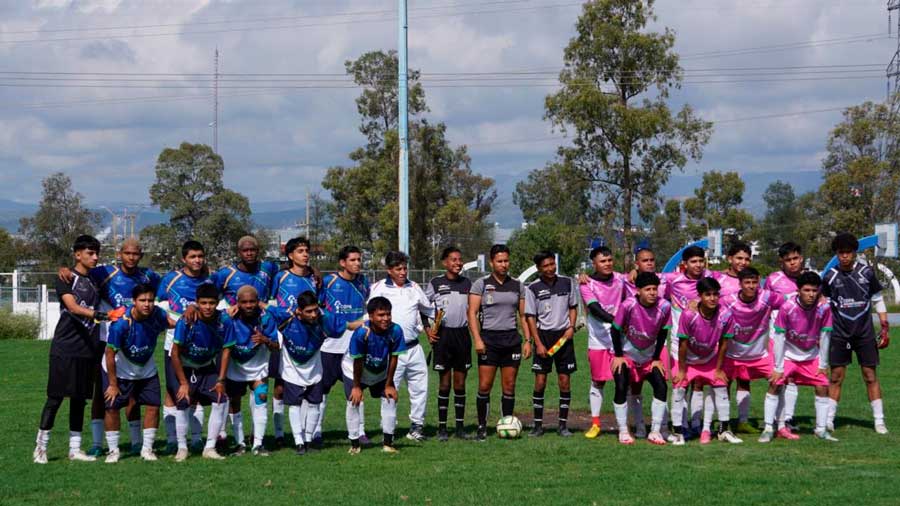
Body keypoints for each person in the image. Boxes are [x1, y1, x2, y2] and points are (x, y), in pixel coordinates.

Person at [58, 238, 161, 457]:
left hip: (133, 338)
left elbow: (170, 284)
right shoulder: (104, 272)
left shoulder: (148, 276)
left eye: (136, 254)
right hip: (105, 338)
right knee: (100, 391)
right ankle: (97, 442)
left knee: (134, 390)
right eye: (127, 253)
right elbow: (80, 270)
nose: (131, 257)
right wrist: (64, 268)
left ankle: (136, 442)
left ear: (141, 256)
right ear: (119, 254)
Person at [34, 235, 109, 464]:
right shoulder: (65, 278)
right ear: (78, 254)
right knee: (55, 398)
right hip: (65, 346)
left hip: (88, 347)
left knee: (79, 399)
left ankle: (74, 449)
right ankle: (40, 449)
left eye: (97, 253)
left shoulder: (96, 279)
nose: (95, 257)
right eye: (90, 253)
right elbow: (73, 307)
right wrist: (97, 315)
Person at [214, 235, 284, 444]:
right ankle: (235, 439)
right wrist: (225, 310)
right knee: (233, 399)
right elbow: (210, 294)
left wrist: (315, 273)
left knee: (261, 396)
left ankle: (258, 441)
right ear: (239, 252)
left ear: (258, 250)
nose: (249, 253)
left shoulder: (269, 269)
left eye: (253, 249)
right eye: (245, 250)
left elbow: (290, 271)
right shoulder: (226, 274)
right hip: (235, 355)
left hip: (258, 361)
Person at [268, 291, 352, 455]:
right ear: (299, 310)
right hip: (291, 369)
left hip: (314, 369)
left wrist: (367, 323)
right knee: (295, 405)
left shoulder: (324, 319)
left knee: (314, 404)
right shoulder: (286, 317)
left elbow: (348, 325)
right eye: (309, 311)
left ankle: (308, 440)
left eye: (315, 310)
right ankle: (299, 442)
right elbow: (263, 307)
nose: (314, 314)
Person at [823, 232, 890, 434]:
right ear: (836, 254)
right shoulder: (830, 276)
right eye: (841, 253)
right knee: (836, 376)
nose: (844, 256)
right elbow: (824, 306)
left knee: (870, 376)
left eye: (848, 252)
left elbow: (877, 299)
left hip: (864, 333)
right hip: (839, 333)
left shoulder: (867, 273)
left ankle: (879, 421)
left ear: (854, 253)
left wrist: (884, 325)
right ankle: (828, 420)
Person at [760, 272, 837, 442]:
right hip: (788, 354)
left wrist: (823, 363)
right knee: (775, 384)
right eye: (807, 290)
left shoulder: (824, 308)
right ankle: (767, 428)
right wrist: (778, 367)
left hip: (811, 354)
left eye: (814, 291)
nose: (811, 294)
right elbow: (779, 337)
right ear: (798, 290)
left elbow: (825, 337)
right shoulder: (787, 307)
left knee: (823, 386)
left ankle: (821, 429)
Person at [102, 284, 174, 462]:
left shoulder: (157, 314)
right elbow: (109, 354)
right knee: (112, 409)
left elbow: (173, 324)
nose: (147, 304)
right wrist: (112, 384)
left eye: (150, 300)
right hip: (119, 372)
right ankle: (113, 451)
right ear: (134, 302)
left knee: (153, 406)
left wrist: (190, 318)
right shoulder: (121, 324)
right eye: (142, 300)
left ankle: (147, 449)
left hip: (146, 370)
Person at [468, 244, 532, 442]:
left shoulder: (517, 285)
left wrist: (527, 340)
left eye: (506, 261)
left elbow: (523, 315)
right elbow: (472, 312)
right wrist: (477, 339)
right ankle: (481, 427)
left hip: (511, 340)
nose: (504, 264)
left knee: (509, 386)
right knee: (485, 385)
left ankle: (506, 423)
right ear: (491, 262)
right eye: (500, 261)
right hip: (489, 340)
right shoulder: (481, 284)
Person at [369, 251, 434, 442]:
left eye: (405, 268)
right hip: (389, 349)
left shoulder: (414, 287)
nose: (403, 272)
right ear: (389, 270)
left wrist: (431, 325)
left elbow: (429, 309)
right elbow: (370, 313)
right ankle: (388, 428)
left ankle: (417, 426)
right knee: (390, 388)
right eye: (398, 269)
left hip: (414, 348)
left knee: (420, 388)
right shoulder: (379, 288)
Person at [157, 240, 214, 453]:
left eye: (200, 256)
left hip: (202, 347)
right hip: (175, 345)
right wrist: (177, 321)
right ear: (184, 259)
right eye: (192, 257)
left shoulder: (210, 280)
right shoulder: (171, 280)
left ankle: (197, 439)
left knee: (196, 393)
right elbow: (160, 308)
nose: (197, 260)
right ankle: (173, 440)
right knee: (173, 392)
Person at [671, 277, 741, 445]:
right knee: (679, 389)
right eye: (708, 294)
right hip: (687, 360)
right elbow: (683, 343)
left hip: (709, 359)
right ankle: (678, 432)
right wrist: (681, 371)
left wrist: (718, 369)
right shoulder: (689, 314)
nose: (712, 298)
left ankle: (724, 430)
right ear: (700, 296)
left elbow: (724, 344)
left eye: (715, 294)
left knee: (721, 385)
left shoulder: (725, 315)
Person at [167, 283, 231, 461]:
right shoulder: (186, 320)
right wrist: (184, 383)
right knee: (183, 400)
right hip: (184, 368)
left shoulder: (224, 321)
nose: (208, 307)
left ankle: (209, 448)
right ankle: (182, 448)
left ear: (217, 303)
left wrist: (221, 379)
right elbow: (174, 352)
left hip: (206, 366)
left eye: (212, 303)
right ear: (197, 302)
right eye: (203, 303)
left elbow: (226, 350)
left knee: (221, 399)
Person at [315, 246, 369, 447]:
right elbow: (318, 309)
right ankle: (316, 431)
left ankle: (359, 431)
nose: (357, 263)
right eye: (353, 260)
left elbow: (368, 307)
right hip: (329, 346)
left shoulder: (364, 282)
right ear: (342, 263)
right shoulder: (328, 282)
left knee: (356, 391)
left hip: (353, 349)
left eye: (359, 259)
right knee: (322, 391)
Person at [610, 272, 671, 445]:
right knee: (621, 385)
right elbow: (615, 329)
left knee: (661, 386)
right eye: (648, 289)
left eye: (655, 289)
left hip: (648, 358)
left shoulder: (664, 306)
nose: (652, 292)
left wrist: (657, 358)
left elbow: (663, 332)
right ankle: (623, 431)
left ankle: (655, 431)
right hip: (626, 356)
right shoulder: (628, 305)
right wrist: (619, 356)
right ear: (638, 291)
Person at [722, 267, 784, 435]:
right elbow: (707, 305)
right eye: (747, 282)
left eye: (754, 282)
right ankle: (724, 425)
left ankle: (779, 425)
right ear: (740, 284)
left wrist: (819, 298)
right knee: (722, 385)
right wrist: (694, 302)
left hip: (759, 355)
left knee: (779, 380)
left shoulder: (767, 297)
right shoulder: (727, 300)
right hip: (731, 354)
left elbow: (790, 301)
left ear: (759, 282)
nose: (751, 286)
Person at [525, 251, 578, 437]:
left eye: (552, 264)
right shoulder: (532, 288)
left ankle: (563, 426)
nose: (550, 268)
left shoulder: (567, 282)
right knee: (540, 382)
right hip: (543, 337)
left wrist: (571, 327)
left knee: (564, 381)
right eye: (545, 266)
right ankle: (538, 426)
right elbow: (530, 318)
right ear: (539, 268)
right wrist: (537, 343)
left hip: (564, 337)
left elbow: (573, 307)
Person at [344, 297, 406, 454]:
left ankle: (388, 444)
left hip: (379, 369)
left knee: (390, 397)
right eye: (381, 315)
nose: (385, 318)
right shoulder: (361, 333)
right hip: (354, 369)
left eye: (388, 314)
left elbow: (394, 357)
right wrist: (357, 387)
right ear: (370, 316)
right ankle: (355, 444)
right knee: (354, 401)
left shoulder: (396, 330)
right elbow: (357, 362)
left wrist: (389, 383)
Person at [223, 285, 279, 456]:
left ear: (258, 302)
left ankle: (258, 444)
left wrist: (265, 340)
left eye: (252, 301)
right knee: (234, 403)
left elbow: (277, 347)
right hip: (235, 368)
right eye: (244, 302)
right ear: (237, 303)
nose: (248, 305)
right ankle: (240, 443)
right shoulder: (228, 318)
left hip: (258, 368)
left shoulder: (266, 318)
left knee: (261, 398)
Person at [424, 246, 473, 441]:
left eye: (459, 260)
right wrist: (429, 331)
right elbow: (423, 307)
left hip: (462, 335)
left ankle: (460, 427)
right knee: (445, 383)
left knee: (460, 383)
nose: (458, 263)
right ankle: (442, 428)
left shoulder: (467, 283)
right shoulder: (435, 283)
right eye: (453, 259)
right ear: (445, 262)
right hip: (443, 337)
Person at [665, 245, 714, 438]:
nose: (698, 265)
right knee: (681, 384)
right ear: (684, 264)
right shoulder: (672, 279)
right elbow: (646, 279)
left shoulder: (711, 277)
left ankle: (696, 423)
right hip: (680, 343)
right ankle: (681, 425)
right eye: (693, 261)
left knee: (699, 384)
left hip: (705, 344)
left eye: (701, 261)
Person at [579, 246, 626, 439]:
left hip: (621, 340)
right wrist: (617, 321)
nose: (607, 264)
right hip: (598, 340)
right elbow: (595, 309)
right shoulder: (586, 284)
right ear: (594, 264)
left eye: (609, 260)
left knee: (625, 382)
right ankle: (596, 423)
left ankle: (626, 425)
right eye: (602, 261)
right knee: (598, 381)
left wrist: (634, 272)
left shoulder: (621, 279)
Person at [763, 242, 806, 432]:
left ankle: (786, 418)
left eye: (795, 258)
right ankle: (774, 420)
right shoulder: (773, 280)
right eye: (788, 260)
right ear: (782, 262)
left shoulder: (809, 279)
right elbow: (765, 306)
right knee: (780, 377)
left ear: (801, 258)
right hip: (777, 336)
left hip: (800, 338)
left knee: (792, 378)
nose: (792, 263)